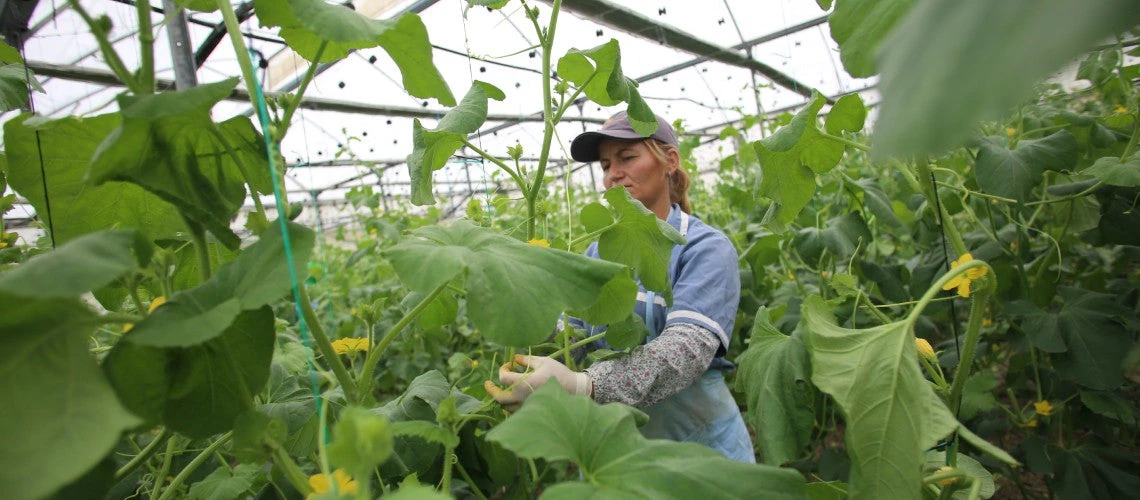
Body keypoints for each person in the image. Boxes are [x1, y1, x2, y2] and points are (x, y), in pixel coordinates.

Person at [484, 111, 754, 463]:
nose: (614, 174)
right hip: (616, 451)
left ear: (669, 161)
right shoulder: (598, 250)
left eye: (627, 158)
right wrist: (532, 313)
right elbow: (578, 338)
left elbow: (686, 350)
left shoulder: (705, 247)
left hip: (699, 453)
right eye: (606, 164)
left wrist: (583, 385)